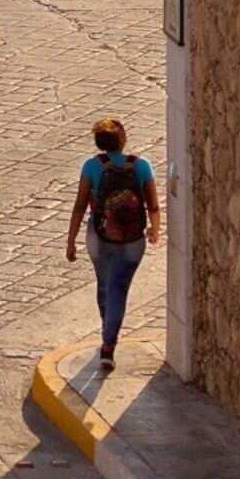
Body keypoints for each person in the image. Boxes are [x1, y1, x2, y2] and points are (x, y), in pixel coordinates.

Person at [63, 115, 161, 371]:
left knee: (105, 284)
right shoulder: (141, 166)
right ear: (123, 139)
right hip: (132, 240)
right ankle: (109, 344)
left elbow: (80, 206)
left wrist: (71, 241)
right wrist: (155, 230)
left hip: (99, 236)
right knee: (119, 287)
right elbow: (152, 204)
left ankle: (108, 329)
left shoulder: (92, 166)